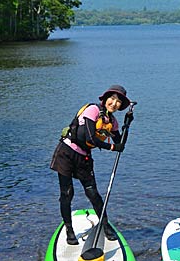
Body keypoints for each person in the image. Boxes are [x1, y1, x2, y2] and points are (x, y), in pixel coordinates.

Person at [50, 85, 132, 245]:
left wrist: (127, 125)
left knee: (93, 193)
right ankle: (69, 230)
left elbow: (120, 144)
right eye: (112, 98)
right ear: (105, 98)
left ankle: (105, 226)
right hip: (66, 153)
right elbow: (88, 137)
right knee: (67, 193)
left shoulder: (112, 122)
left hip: (84, 158)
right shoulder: (92, 110)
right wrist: (112, 147)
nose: (114, 103)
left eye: (118, 101)